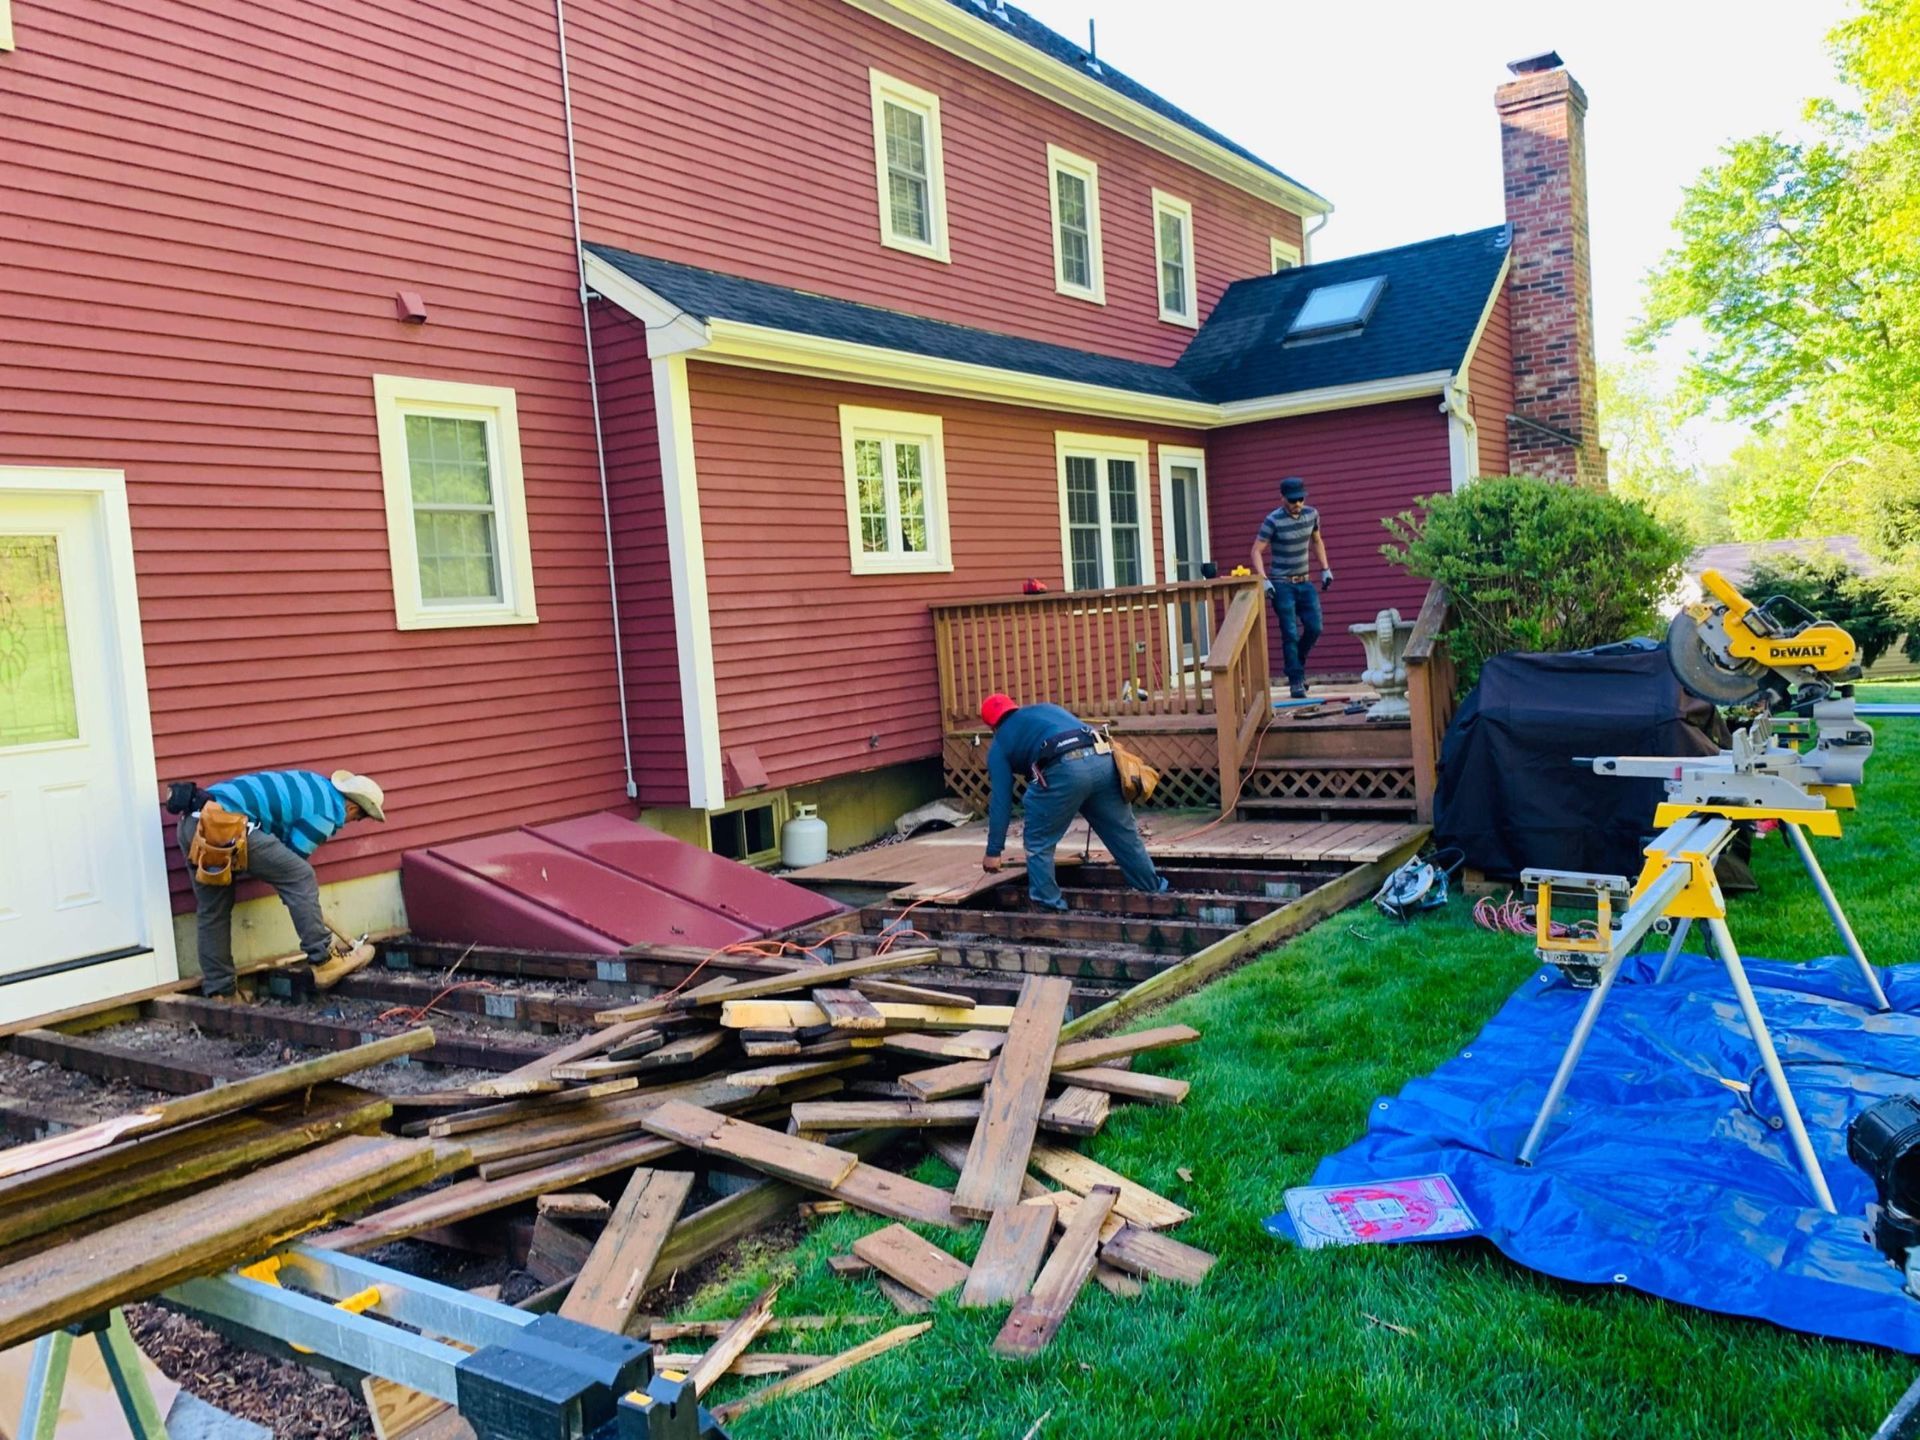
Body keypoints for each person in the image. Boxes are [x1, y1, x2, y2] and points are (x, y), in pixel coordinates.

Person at [175, 768, 386, 997]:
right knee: (301, 876)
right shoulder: (327, 812)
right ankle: (324, 960)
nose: (348, 822)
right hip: (225, 824)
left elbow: (280, 863)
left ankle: (222, 992)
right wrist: (297, 894)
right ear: (352, 807)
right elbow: (292, 865)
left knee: (213, 910)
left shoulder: (315, 784)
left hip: (193, 824)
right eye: (356, 818)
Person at [978, 693, 1166, 912]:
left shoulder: (1000, 743)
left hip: (1064, 768)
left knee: (1038, 842)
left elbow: (1001, 801)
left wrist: (993, 852)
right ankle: (1153, 892)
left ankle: (1050, 909)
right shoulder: (1047, 708)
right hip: (1102, 762)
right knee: (1124, 834)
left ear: (992, 727)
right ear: (1015, 707)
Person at [1251, 475, 1334, 699]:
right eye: (1292, 500)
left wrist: (1325, 568)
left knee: (1315, 627)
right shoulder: (1272, 521)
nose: (1297, 504)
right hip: (1281, 583)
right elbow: (1256, 551)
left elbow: (1317, 540)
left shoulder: (1312, 515)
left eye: (1300, 499)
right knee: (1289, 632)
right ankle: (1296, 681)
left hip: (1304, 581)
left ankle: (1296, 664)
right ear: (1282, 499)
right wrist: (1264, 579)